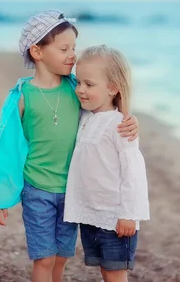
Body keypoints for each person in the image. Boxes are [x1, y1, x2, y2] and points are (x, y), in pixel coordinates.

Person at [0, 11, 139, 282]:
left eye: (74, 47)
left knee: (61, 257)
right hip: (36, 189)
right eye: (64, 48)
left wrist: (131, 119)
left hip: (72, 191)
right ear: (37, 51)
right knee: (44, 258)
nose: (72, 54)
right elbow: (7, 148)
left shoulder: (76, 89)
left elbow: (106, 111)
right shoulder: (23, 96)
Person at [64, 45, 150, 282]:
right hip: (91, 216)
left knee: (115, 274)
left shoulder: (120, 125)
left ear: (113, 88)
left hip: (116, 219)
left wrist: (129, 214)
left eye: (89, 85)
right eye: (78, 82)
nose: (80, 90)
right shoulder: (85, 117)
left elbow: (132, 173)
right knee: (105, 271)